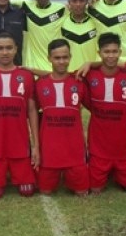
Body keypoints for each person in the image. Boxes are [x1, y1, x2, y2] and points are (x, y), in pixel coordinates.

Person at [0, 31, 39, 198]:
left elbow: (32, 110)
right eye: (0, 48)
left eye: (9, 48)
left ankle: (18, 169)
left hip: (20, 143)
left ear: (16, 49)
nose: (5, 52)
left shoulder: (26, 76)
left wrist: (36, 145)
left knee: (27, 190)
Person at [81, 32, 126, 193]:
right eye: (106, 52)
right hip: (98, 143)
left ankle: (119, 170)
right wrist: (89, 63)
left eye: (114, 52)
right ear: (99, 53)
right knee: (96, 189)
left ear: (120, 52)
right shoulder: (88, 74)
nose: (111, 56)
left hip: (123, 145)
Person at [34, 39, 89, 196]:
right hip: (49, 151)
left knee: (82, 192)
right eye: (57, 58)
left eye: (65, 57)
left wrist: (90, 62)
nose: (61, 61)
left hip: (74, 149)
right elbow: (32, 112)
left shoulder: (79, 81)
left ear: (70, 57)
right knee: (45, 191)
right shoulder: (40, 83)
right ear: (49, 58)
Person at [16, 0, 67, 72]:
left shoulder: (62, 9)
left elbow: (84, 6)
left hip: (54, 69)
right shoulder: (26, 6)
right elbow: (2, 1)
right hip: (31, 68)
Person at [60, 0, 99, 72]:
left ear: (86, 2)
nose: (78, 4)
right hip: (69, 74)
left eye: (81, 1)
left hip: (91, 73)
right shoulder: (62, 21)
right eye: (74, 1)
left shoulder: (96, 22)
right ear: (69, 2)